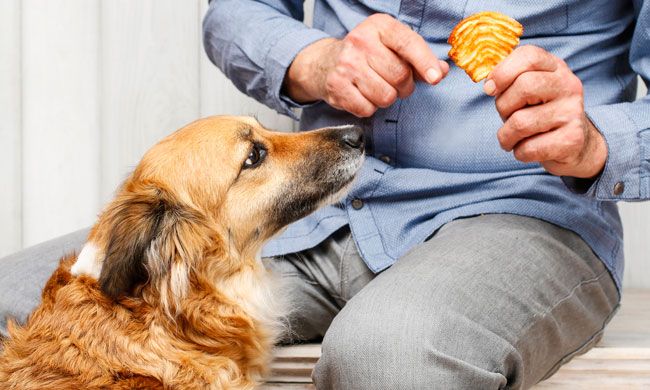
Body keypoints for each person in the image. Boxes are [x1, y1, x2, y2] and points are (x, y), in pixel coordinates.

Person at [1, 1, 648, 389]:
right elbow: (237, 9)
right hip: (302, 218)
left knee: (389, 353)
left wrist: (596, 141)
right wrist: (310, 59)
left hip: (521, 209)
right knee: (10, 298)